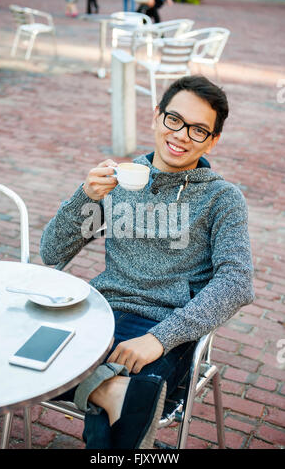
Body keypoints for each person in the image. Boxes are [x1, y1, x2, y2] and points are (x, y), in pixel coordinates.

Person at [40, 75, 254, 449]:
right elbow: (52, 253)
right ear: (156, 116)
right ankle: (111, 392)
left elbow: (237, 282)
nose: (182, 135)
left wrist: (158, 339)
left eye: (199, 130)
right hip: (100, 314)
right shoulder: (119, 179)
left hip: (168, 325)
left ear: (213, 139)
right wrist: (85, 196)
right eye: (175, 120)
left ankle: (111, 395)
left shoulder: (223, 198)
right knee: (28, 356)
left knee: (114, 422)